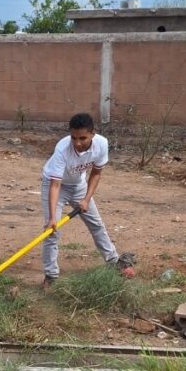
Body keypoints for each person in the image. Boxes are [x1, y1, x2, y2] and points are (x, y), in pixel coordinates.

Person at [41, 111, 135, 287]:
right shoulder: (62, 148)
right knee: (51, 232)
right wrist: (53, 218)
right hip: (55, 186)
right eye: (74, 138)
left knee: (96, 224)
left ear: (93, 133)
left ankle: (114, 261)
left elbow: (96, 173)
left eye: (82, 138)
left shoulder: (101, 144)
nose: (77, 143)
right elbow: (55, 185)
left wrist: (86, 199)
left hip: (79, 185)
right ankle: (51, 276)